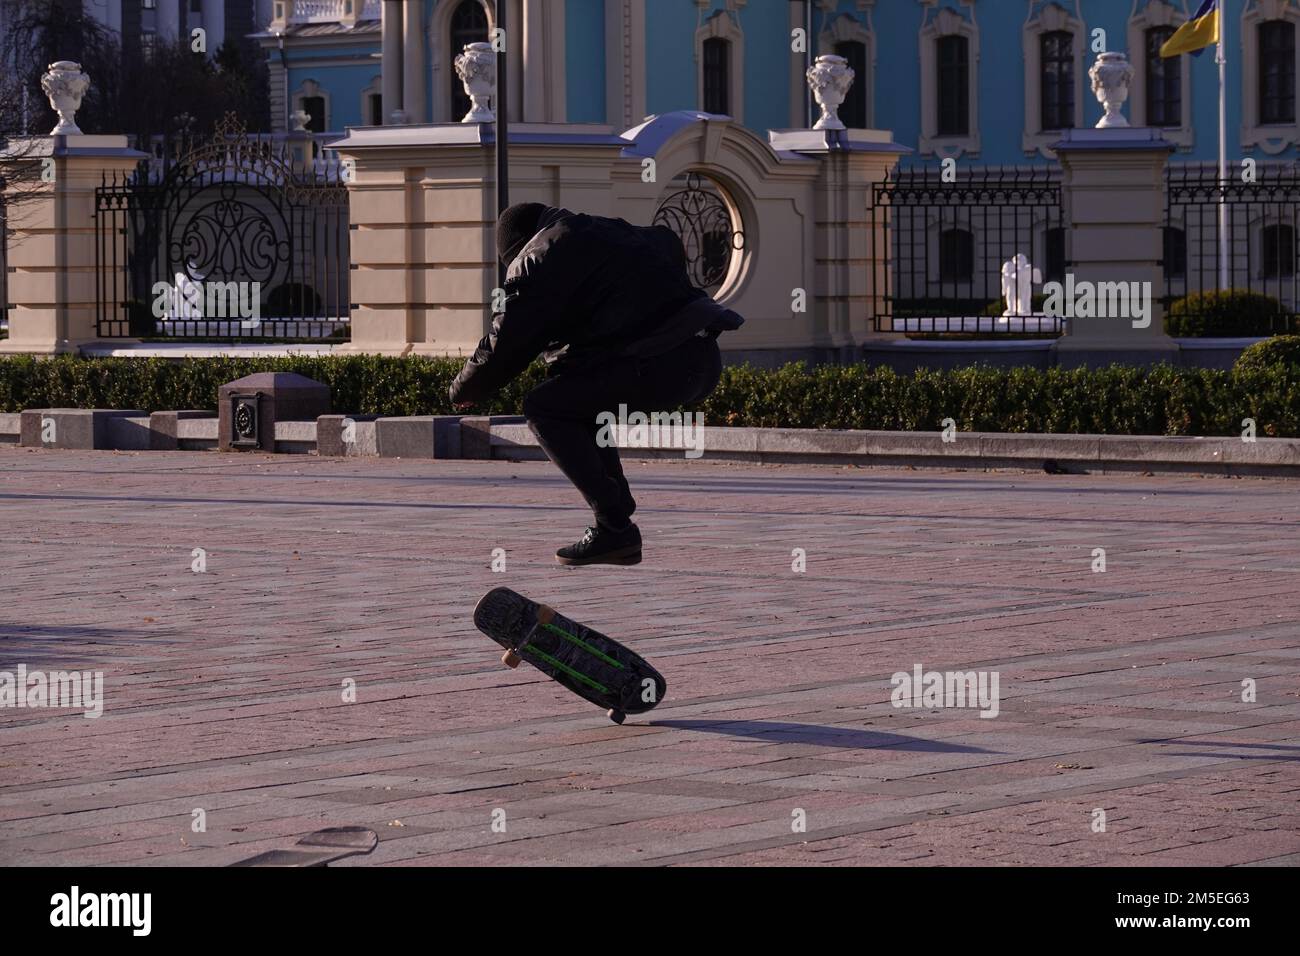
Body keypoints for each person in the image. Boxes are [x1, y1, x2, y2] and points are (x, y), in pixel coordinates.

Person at [450, 202, 743, 566]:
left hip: (660, 363)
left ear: (516, 248)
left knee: (545, 408)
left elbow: (508, 341)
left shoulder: (539, 257)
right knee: (576, 395)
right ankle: (615, 524)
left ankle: (615, 524)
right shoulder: (607, 231)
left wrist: (464, 389)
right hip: (701, 358)